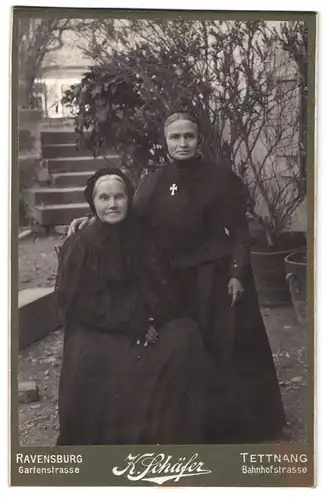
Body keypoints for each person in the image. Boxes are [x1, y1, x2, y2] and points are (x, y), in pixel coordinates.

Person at [68, 111, 287, 443]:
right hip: (173, 279)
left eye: (189, 136)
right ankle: (197, 422)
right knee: (188, 349)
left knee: (227, 347)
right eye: (175, 137)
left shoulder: (220, 178)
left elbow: (241, 232)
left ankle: (240, 424)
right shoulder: (153, 180)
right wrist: (90, 218)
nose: (182, 143)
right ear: (165, 141)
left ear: (199, 139)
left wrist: (238, 273)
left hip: (216, 276)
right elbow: (126, 214)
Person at [55, 166, 223, 446]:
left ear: (129, 199)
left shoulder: (141, 235)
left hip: (144, 324)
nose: (112, 204)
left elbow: (159, 284)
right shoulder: (83, 242)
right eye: (104, 198)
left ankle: (172, 437)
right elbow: (76, 301)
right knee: (99, 358)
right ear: (93, 203)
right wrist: (135, 322)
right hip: (99, 331)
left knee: (186, 336)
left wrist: (153, 320)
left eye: (119, 197)